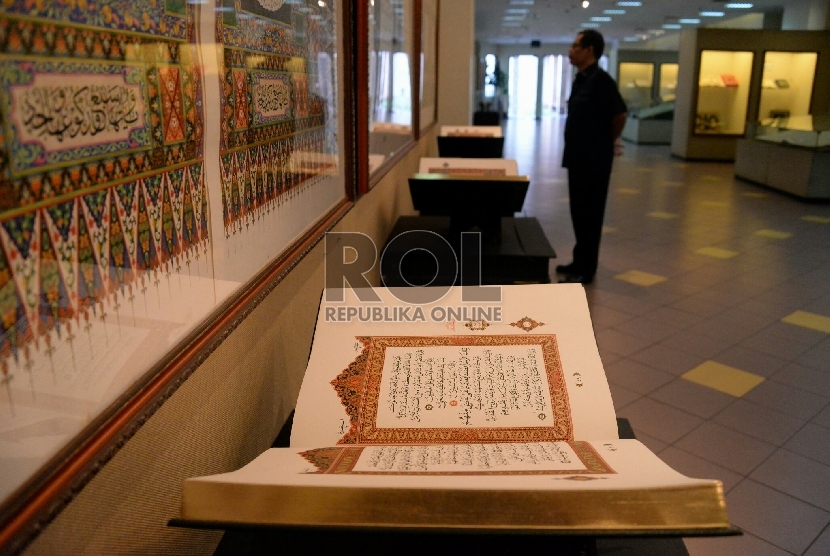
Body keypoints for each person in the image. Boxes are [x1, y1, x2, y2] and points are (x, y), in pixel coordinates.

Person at [557, 29, 627, 285]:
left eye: (576, 46)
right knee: (578, 211)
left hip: (595, 160)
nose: (570, 50)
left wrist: (608, 141)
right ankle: (579, 260)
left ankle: (587, 269)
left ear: (590, 50)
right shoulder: (581, 80)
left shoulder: (602, 81)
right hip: (577, 157)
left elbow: (620, 114)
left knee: (591, 213)